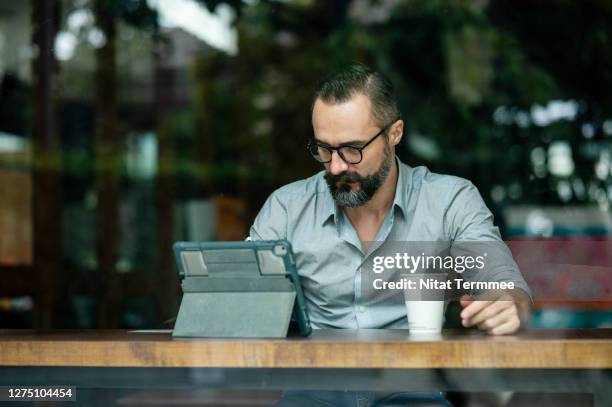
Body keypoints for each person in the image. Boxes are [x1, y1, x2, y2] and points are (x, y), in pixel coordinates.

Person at [249, 64, 532, 406]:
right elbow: (243, 305)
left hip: (413, 393)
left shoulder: (449, 200)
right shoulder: (286, 208)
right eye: (324, 149)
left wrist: (506, 305)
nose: (336, 166)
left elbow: (504, 285)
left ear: (394, 133)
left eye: (353, 149)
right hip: (313, 393)